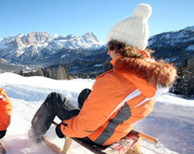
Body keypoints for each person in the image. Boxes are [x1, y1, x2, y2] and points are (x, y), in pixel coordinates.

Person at [28, 4, 177, 146]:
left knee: (54, 98)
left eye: (110, 47)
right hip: (118, 128)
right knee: (85, 94)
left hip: (97, 135)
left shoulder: (115, 82)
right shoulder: (148, 76)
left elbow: (86, 125)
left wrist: (63, 128)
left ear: (122, 48)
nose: (108, 52)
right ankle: (86, 115)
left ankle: (34, 135)